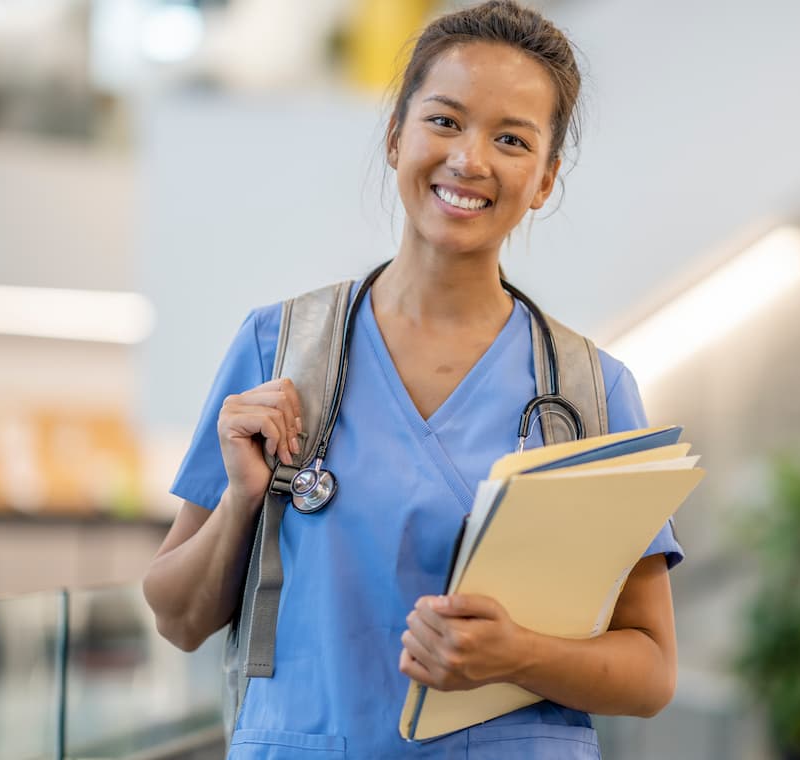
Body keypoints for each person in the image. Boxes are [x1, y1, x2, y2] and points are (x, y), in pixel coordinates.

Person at [141, 2, 683, 757]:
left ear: (546, 178)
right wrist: (241, 500)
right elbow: (177, 617)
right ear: (396, 136)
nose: (471, 160)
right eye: (445, 121)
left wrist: (520, 654)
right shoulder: (280, 348)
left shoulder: (591, 389)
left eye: (512, 139)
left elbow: (652, 671)